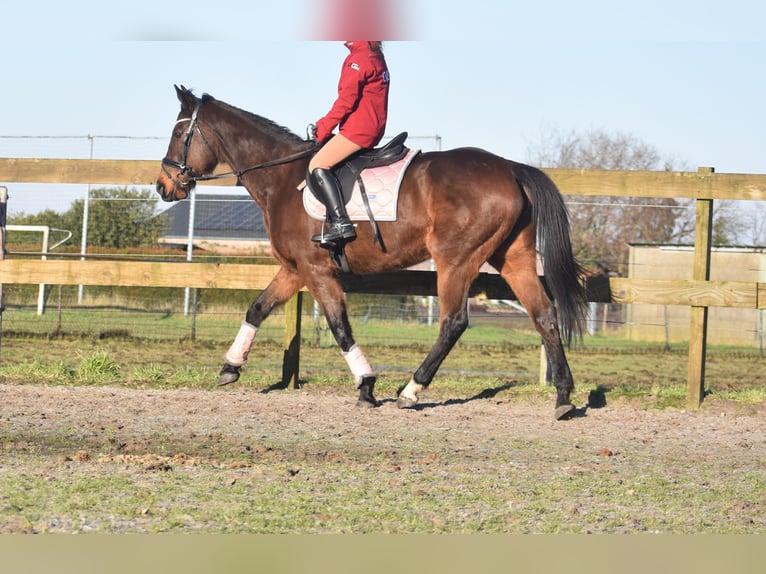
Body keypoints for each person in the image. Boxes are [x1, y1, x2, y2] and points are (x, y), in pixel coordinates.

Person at [308, 41, 390, 246]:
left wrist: (323, 129)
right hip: (371, 127)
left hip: (359, 130)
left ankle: (340, 223)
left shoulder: (359, 59)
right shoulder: (375, 55)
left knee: (317, 166)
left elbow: (345, 101)